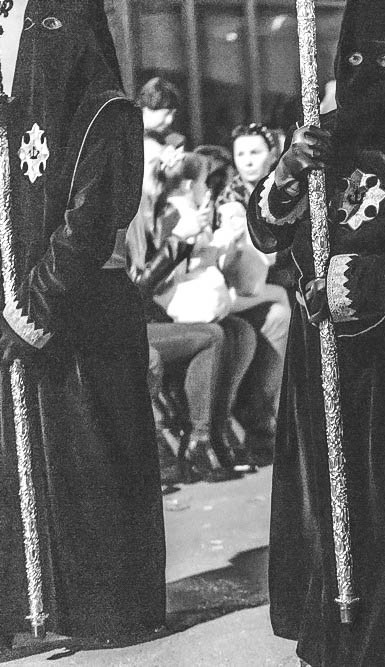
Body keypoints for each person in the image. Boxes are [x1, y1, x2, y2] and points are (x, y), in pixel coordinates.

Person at [246, 0, 385, 662]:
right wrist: (289, 171)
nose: (369, 73)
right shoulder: (319, 133)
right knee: (322, 489)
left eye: (383, 61)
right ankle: (328, 636)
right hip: (319, 350)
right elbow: (266, 232)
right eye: (355, 61)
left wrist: (358, 280)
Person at [0, 0, 165, 645]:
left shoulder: (106, 111)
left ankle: (101, 609)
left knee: (93, 464)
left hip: (82, 310)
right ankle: (24, 604)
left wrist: (37, 305)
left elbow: (94, 211)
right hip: (15, 302)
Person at [128, 149, 250, 483]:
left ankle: (215, 430)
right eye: (155, 167)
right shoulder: (133, 216)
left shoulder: (158, 209)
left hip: (156, 315)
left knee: (240, 331)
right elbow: (138, 285)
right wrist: (179, 240)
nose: (164, 173)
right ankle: (200, 439)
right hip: (132, 323)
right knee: (212, 335)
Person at [217, 124, 292, 463]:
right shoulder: (228, 196)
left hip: (274, 282)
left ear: (271, 153)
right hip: (235, 288)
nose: (248, 161)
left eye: (255, 152)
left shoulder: (285, 186)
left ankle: (264, 418)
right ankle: (255, 420)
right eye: (241, 154)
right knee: (279, 311)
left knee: (283, 315)